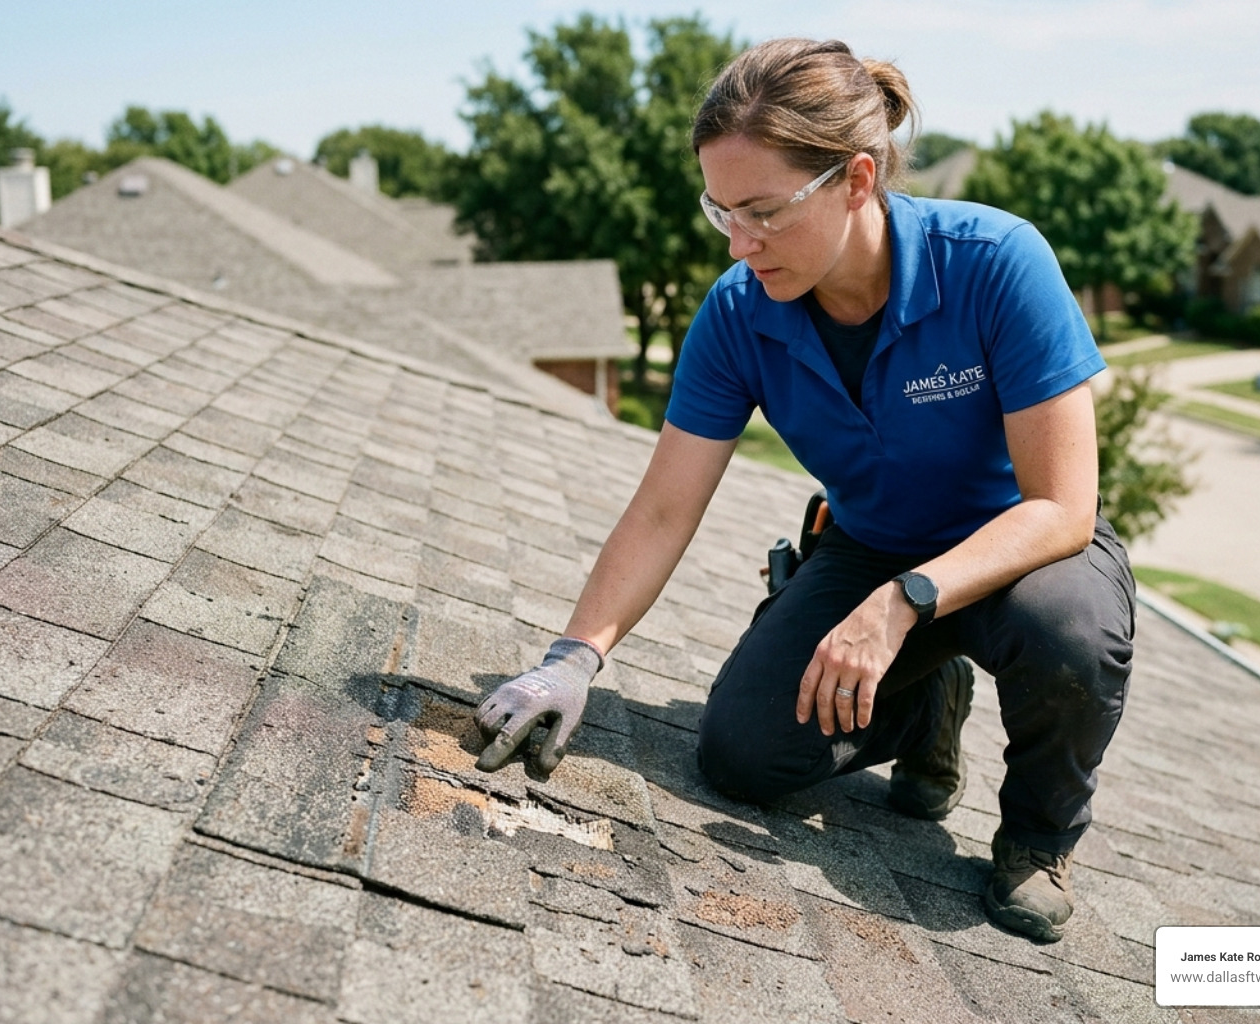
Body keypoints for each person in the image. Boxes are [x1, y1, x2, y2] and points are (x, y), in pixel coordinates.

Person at [473, 37, 1136, 944]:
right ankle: (924, 701)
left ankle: (1035, 842)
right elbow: (665, 506)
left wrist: (906, 603)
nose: (742, 245)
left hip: (1021, 554)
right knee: (741, 754)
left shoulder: (995, 263)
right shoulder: (740, 313)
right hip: (869, 547)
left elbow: (1064, 507)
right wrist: (573, 658)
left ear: (856, 180)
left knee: (1071, 633)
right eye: (721, 213)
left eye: (764, 213)